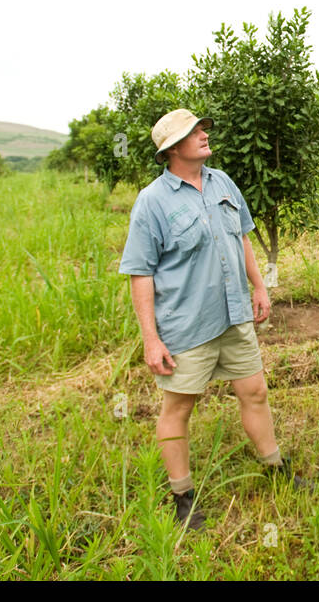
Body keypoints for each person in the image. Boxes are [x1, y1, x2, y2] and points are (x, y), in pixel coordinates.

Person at [118, 108, 303, 531]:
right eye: (194, 131)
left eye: (202, 128)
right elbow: (140, 273)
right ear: (172, 148)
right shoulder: (152, 202)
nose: (204, 134)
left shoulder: (222, 183)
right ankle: (181, 495)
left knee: (254, 390)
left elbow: (241, 238)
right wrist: (151, 339)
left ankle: (275, 468)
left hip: (234, 315)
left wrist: (258, 287)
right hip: (187, 326)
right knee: (179, 407)